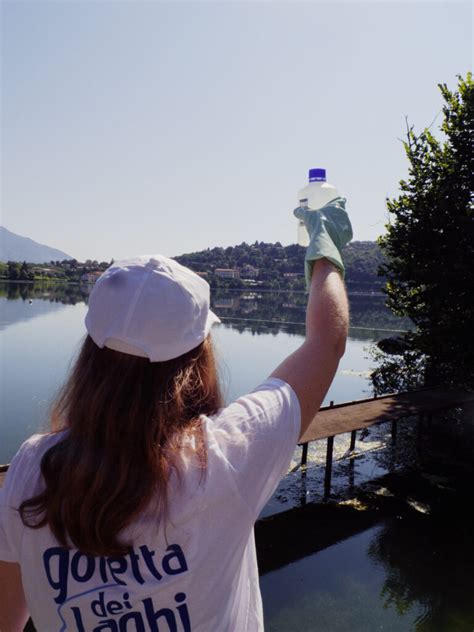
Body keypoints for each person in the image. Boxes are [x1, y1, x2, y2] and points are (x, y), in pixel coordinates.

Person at [0, 198, 352, 631]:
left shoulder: (31, 469)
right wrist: (325, 252)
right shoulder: (226, 455)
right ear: (196, 359)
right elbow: (327, 342)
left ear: (91, 352)